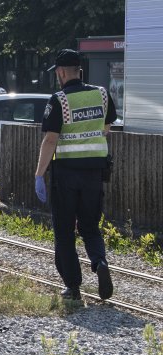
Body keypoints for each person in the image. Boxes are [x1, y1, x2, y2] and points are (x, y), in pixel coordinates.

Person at [34, 48, 117, 302]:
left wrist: (39, 174)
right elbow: (106, 127)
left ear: (60, 72)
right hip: (94, 172)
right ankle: (99, 262)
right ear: (79, 70)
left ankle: (73, 287)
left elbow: (50, 140)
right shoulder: (101, 94)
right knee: (90, 226)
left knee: (64, 230)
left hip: (67, 174)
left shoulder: (58, 100)